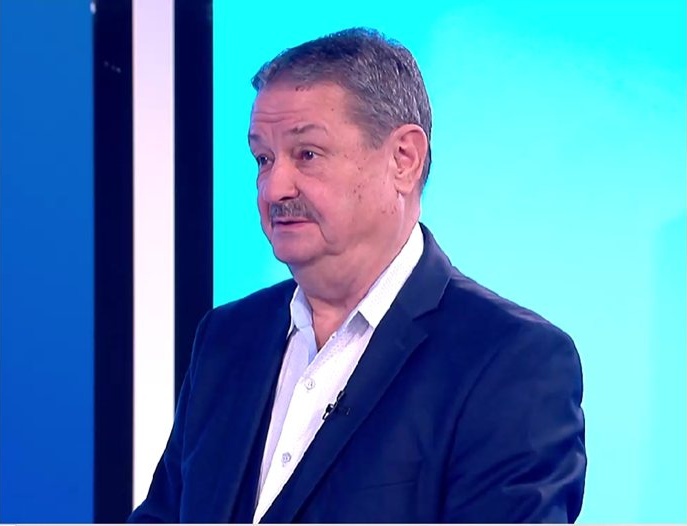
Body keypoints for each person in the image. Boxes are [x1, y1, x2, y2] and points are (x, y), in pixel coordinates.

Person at [129, 27, 586, 523]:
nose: (274, 188)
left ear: (404, 159)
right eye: (264, 158)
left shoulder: (511, 361)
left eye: (307, 154)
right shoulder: (226, 338)